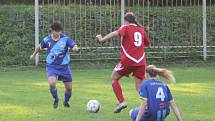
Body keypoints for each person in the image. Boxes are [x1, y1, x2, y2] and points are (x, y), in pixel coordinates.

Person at [96, 12, 151, 113]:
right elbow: (148, 44)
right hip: (141, 62)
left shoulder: (126, 27)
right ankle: (149, 105)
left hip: (128, 60)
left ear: (126, 21)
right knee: (139, 88)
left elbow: (115, 33)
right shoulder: (141, 30)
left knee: (114, 79)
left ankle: (122, 102)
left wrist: (102, 39)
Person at [30, 21, 78, 109]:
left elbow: (73, 44)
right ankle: (56, 99)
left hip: (64, 67)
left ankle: (66, 101)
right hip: (52, 66)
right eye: (56, 31)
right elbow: (39, 47)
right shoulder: (47, 40)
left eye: (60, 31)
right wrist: (33, 55)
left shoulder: (65, 39)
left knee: (69, 88)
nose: (58, 33)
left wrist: (75, 48)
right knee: (52, 83)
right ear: (52, 30)